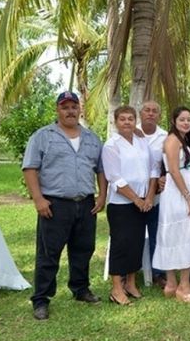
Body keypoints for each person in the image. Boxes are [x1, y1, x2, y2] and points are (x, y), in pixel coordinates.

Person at [22, 91, 107, 320]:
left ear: (80, 109)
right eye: (65, 107)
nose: (70, 111)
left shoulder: (92, 138)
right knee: (49, 253)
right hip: (55, 204)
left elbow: (100, 169)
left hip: (86, 203)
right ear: (57, 110)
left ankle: (80, 289)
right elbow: (30, 168)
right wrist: (39, 199)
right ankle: (41, 299)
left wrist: (102, 196)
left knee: (83, 249)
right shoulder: (43, 136)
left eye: (74, 106)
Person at [102, 106, 159, 305]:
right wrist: (136, 199)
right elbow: (114, 178)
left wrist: (149, 196)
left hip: (143, 202)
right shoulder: (111, 145)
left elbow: (153, 168)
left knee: (136, 243)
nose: (127, 122)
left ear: (136, 121)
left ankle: (131, 283)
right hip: (122, 204)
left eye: (130, 119)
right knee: (121, 244)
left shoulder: (142, 140)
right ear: (116, 122)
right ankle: (117, 288)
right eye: (123, 119)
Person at [153, 107, 190, 303]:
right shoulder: (172, 140)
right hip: (178, 195)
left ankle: (171, 284)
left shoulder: (185, 140)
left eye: (188, 120)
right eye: (182, 119)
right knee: (184, 235)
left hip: (186, 192)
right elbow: (175, 172)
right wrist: (189, 197)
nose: (186, 123)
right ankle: (182, 286)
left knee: (178, 235)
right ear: (174, 121)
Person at [137, 100, 169, 288]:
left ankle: (158, 273)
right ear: (141, 114)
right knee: (132, 235)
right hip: (131, 196)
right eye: (147, 110)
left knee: (157, 233)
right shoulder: (130, 134)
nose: (150, 113)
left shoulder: (165, 137)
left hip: (157, 196)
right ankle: (128, 272)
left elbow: (169, 163)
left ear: (159, 115)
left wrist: (164, 178)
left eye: (154, 111)